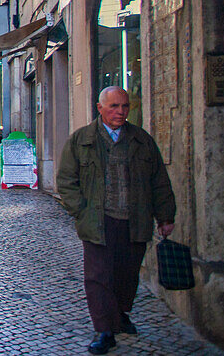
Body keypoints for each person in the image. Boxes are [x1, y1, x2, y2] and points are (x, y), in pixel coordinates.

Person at [56, 86, 176, 355]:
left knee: (127, 274)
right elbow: (66, 181)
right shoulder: (81, 140)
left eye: (124, 106)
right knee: (98, 277)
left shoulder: (141, 140)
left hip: (135, 220)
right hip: (98, 220)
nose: (120, 112)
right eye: (114, 107)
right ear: (100, 108)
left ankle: (120, 313)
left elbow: (159, 182)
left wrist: (166, 216)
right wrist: (81, 211)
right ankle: (104, 329)